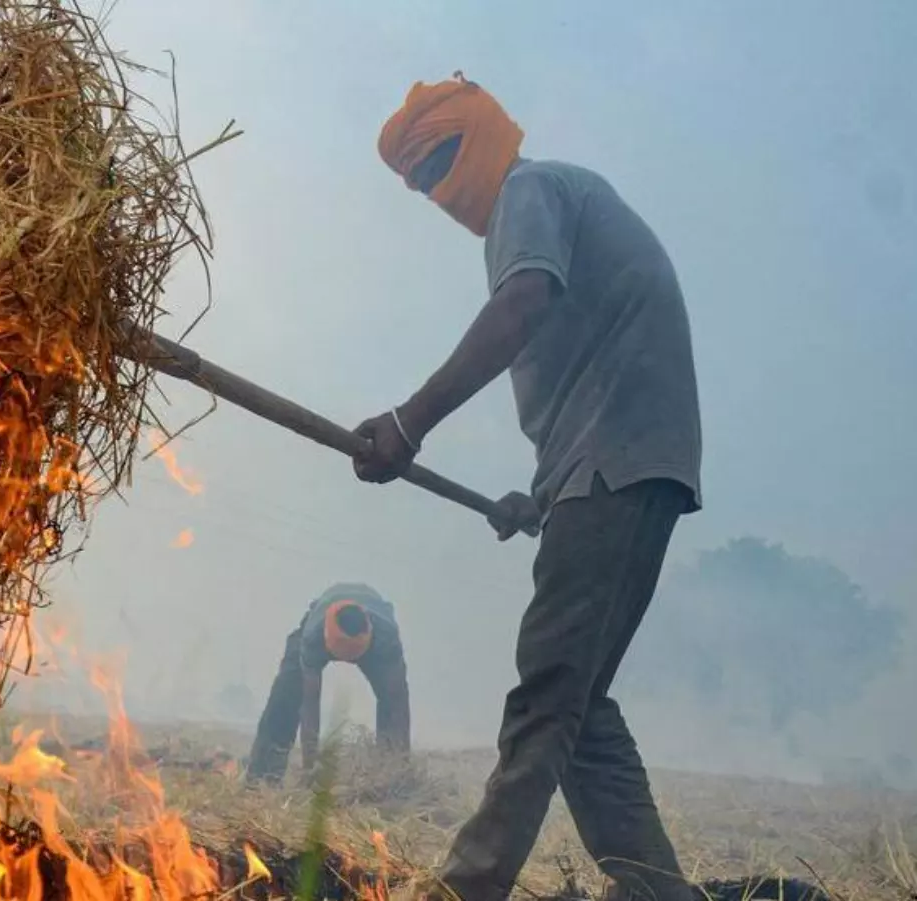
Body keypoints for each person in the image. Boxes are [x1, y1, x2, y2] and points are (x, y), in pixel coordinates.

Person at [352, 73, 703, 901]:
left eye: (440, 161)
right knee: (578, 708)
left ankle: (465, 887)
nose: (438, 190)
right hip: (617, 469)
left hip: (615, 469)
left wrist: (410, 422)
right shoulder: (554, 198)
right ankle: (659, 891)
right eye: (422, 180)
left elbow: (522, 307)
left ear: (481, 135)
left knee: (546, 691)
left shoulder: (529, 189)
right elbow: (598, 373)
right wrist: (538, 500)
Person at [245, 582, 411, 786]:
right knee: (286, 693)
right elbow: (309, 704)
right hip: (319, 625)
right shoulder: (313, 636)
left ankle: (392, 780)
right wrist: (310, 768)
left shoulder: (385, 640)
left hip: (376, 639)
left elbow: (397, 704)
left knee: (395, 708)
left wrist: (397, 762)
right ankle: (262, 778)